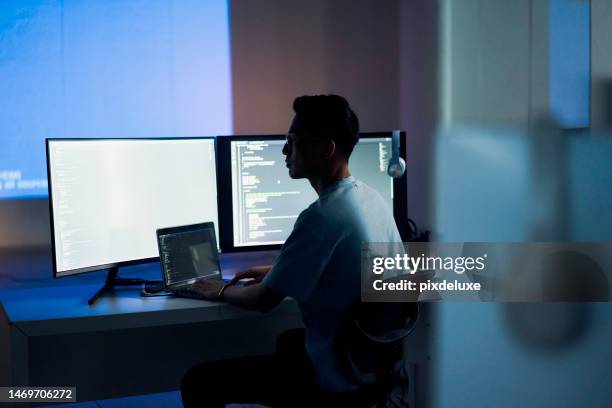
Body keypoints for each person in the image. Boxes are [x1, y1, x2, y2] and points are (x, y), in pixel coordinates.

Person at [180, 94, 403, 407]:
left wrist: (217, 290)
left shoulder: (321, 217)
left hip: (336, 381)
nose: (284, 151)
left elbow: (262, 301)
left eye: (292, 141)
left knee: (199, 381)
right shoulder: (371, 198)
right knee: (288, 341)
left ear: (327, 150)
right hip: (371, 367)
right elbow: (348, 269)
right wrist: (279, 271)